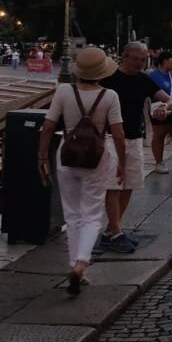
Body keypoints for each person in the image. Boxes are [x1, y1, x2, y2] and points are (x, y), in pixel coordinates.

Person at [37, 47, 125, 296]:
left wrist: (42, 156)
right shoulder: (110, 96)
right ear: (102, 72)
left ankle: (73, 263)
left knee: (72, 214)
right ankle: (81, 263)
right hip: (97, 157)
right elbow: (118, 134)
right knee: (92, 213)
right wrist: (122, 162)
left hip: (66, 156)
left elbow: (48, 127)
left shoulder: (64, 91)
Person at [100, 42, 172, 253]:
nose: (140, 63)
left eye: (143, 60)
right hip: (110, 137)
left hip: (134, 138)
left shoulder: (143, 79)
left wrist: (164, 108)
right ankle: (116, 233)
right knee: (114, 185)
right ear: (125, 56)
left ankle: (112, 230)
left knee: (129, 184)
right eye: (136, 59)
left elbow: (170, 100)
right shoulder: (109, 79)